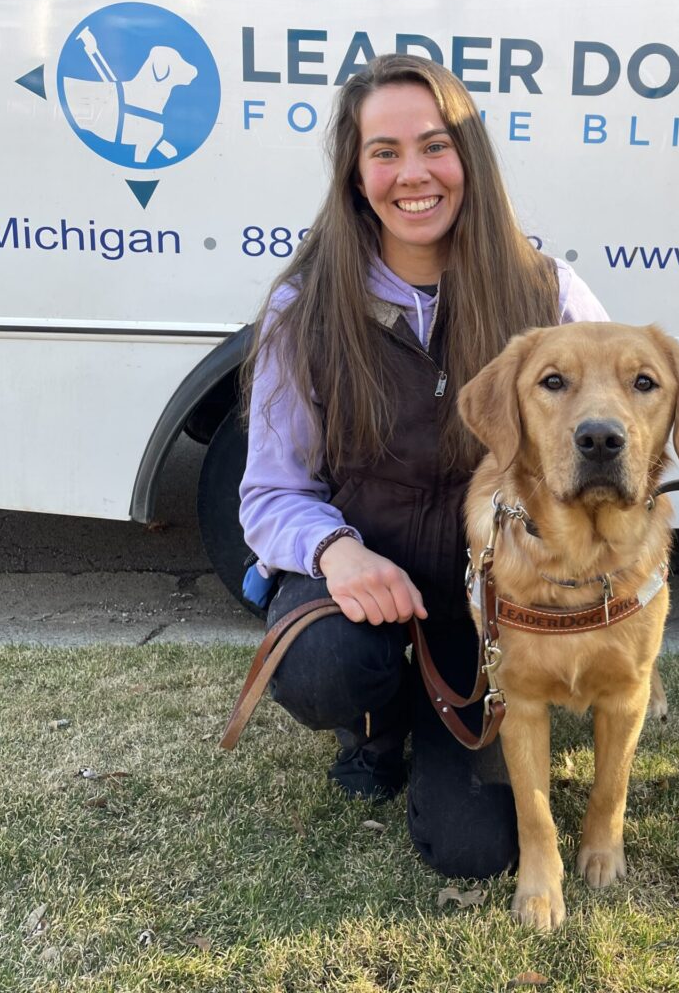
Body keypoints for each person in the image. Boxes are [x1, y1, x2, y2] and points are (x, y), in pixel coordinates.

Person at [238, 53, 608, 879]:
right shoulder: (304, 307)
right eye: (384, 151)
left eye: (435, 146)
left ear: (468, 161)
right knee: (330, 666)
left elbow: (614, 439)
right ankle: (375, 724)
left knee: (476, 851)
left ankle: (441, 713)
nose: (413, 174)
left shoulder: (549, 295)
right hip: (363, 584)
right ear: (354, 169)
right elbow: (270, 492)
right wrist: (339, 554)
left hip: (489, 602)